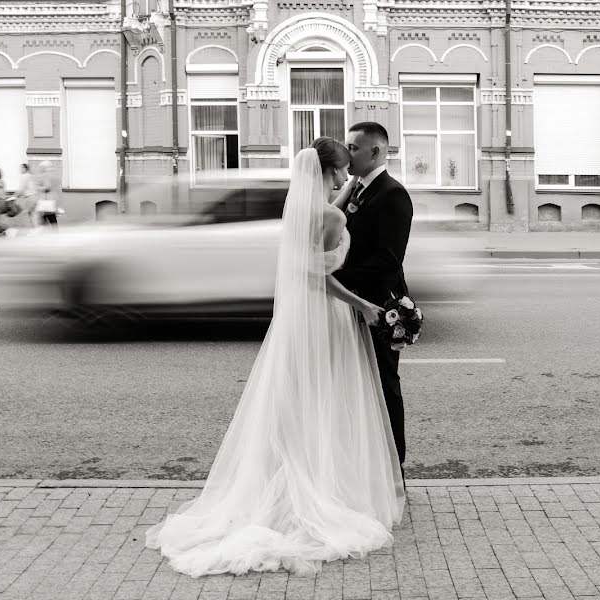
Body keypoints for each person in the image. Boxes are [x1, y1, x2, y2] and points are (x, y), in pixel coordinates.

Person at [146, 138, 405, 577]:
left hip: (297, 320)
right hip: (327, 317)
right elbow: (318, 274)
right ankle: (323, 488)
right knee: (327, 399)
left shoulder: (304, 212)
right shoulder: (331, 216)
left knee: (298, 402)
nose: (345, 179)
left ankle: (296, 477)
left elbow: (316, 240)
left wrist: (342, 191)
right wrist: (361, 304)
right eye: (340, 172)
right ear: (324, 173)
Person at [333, 122, 414, 480]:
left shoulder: (392, 194)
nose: (346, 153)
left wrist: (334, 279)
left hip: (377, 308)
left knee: (384, 387)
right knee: (360, 389)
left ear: (375, 152)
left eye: (353, 148)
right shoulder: (359, 188)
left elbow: (387, 260)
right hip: (353, 304)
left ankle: (394, 469)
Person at [35, 160, 59, 229]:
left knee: (49, 218)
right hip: (49, 199)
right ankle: (53, 233)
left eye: (41, 167)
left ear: (44, 168)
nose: (39, 169)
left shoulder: (45, 175)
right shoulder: (50, 175)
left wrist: (39, 188)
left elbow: (47, 187)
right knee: (49, 218)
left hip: (46, 200)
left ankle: (53, 234)